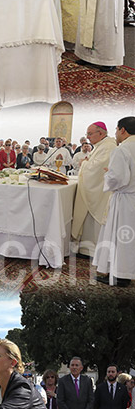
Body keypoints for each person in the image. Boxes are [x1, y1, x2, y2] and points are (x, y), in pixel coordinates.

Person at [94, 116, 135, 287]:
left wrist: (108, 173)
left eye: (117, 130)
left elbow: (118, 179)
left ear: (123, 130)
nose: (116, 134)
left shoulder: (122, 149)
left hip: (125, 200)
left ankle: (121, 275)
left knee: (122, 237)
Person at [72, 121, 117, 257]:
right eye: (87, 134)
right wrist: (86, 162)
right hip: (94, 188)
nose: (88, 137)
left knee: (93, 219)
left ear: (101, 133)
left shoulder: (108, 146)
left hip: (98, 191)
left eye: (90, 134)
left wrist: (84, 164)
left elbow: (97, 168)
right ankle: (86, 248)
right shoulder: (100, 146)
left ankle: (92, 250)